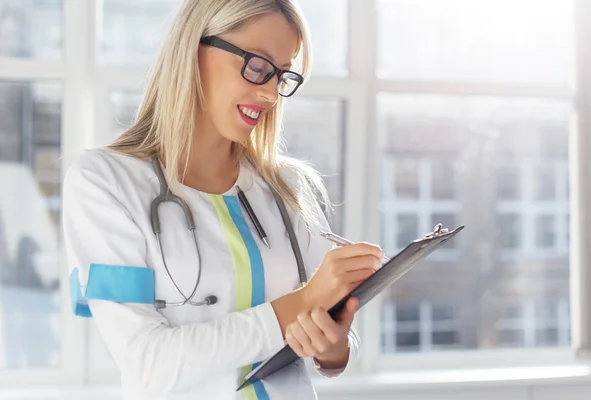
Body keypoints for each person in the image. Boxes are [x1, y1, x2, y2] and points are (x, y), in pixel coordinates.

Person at [62, 1, 384, 399]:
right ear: (194, 49)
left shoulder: (288, 185)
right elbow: (147, 366)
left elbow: (332, 341)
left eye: (282, 76)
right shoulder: (104, 181)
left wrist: (333, 348)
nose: (269, 94)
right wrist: (300, 304)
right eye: (257, 66)